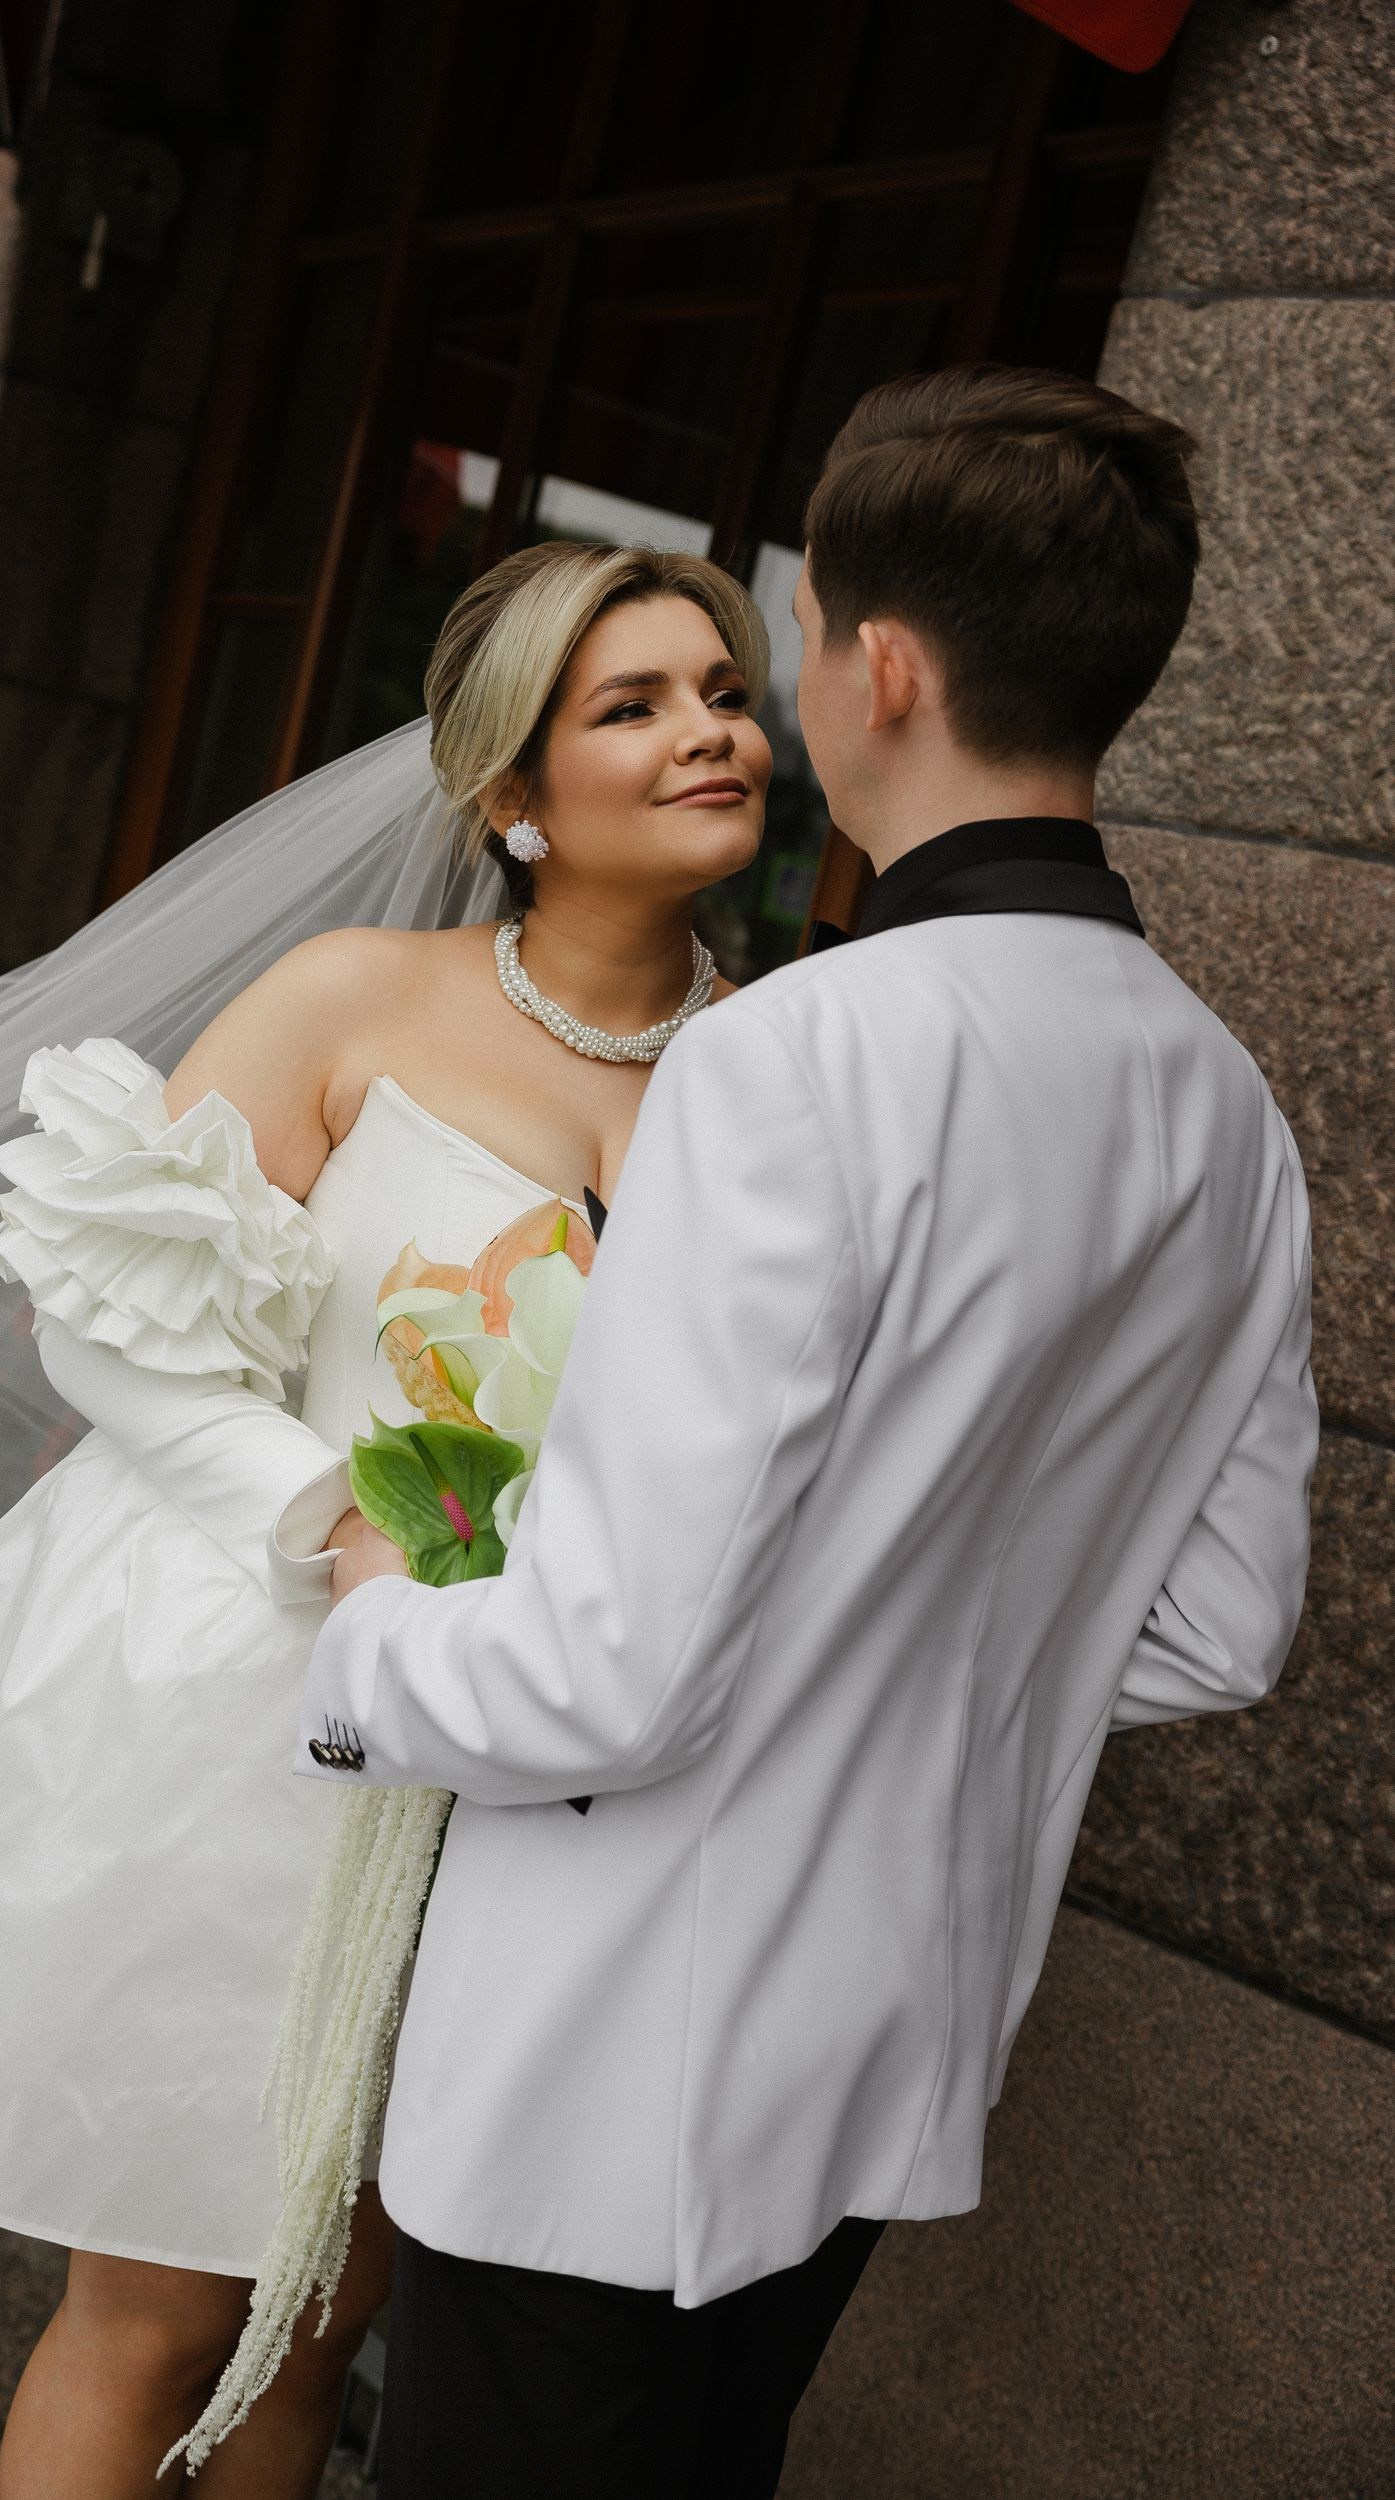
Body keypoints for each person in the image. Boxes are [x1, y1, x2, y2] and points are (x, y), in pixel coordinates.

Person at [289, 367, 1320, 2500]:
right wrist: (894, 1640)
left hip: (612, 2059)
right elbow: (1220, 1627)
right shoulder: (1228, 1108)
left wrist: (368, 1622)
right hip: (891, 2041)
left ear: (886, 668)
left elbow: (610, 1670)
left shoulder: (791, 1055)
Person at [0, 542, 773, 2497]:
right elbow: (109, 1321)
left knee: (327, 2317)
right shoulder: (355, 997)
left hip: (538, 1782)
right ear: (512, 794)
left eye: (728, 691)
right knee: (169, 2307)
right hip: (243, 1726)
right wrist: (332, 1516)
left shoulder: (779, 1077)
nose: (711, 732)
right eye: (636, 704)